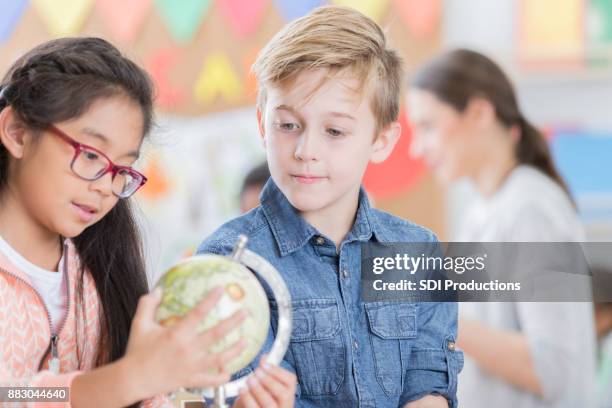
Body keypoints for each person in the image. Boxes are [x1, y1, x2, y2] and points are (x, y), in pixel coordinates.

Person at [198, 6, 463, 408]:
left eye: (335, 131)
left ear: (381, 141)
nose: (306, 151)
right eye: (288, 125)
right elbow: (242, 392)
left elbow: (429, 387)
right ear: (261, 124)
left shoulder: (419, 251)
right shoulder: (230, 262)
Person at [0, 37, 256, 408]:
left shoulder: (96, 274)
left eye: (122, 168)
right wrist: (129, 378)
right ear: (17, 132)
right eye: (89, 155)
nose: (106, 187)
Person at [407, 48, 597, 407]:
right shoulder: (481, 211)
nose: (417, 149)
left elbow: (554, 370)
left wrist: (435, 312)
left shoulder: (532, 208)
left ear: (479, 112)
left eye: (428, 127)